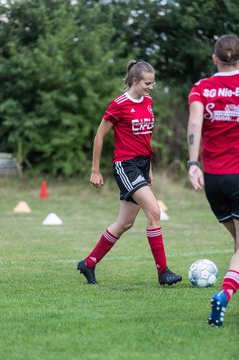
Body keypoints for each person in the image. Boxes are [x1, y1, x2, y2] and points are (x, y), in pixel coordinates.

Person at [77, 60, 182, 287]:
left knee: (125, 223)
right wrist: (95, 171)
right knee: (154, 212)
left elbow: (144, 138)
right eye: (147, 83)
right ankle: (163, 272)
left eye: (152, 83)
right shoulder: (119, 104)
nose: (150, 87)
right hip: (126, 165)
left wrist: (150, 168)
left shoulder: (149, 102)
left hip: (142, 165)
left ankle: (89, 263)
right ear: (135, 81)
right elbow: (99, 136)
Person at [187, 34, 239, 327]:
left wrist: (193, 164)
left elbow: (195, 122)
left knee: (238, 244)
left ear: (214, 59)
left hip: (215, 179)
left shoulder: (202, 88)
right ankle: (225, 295)